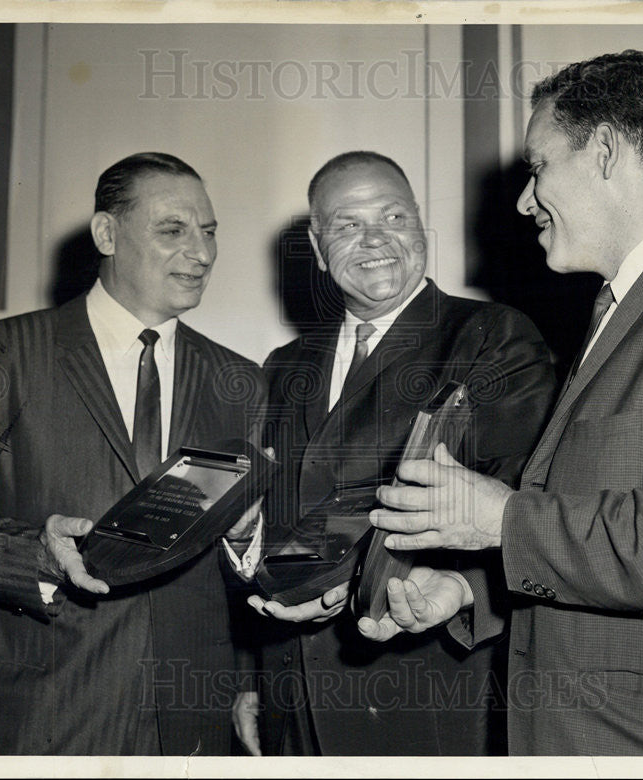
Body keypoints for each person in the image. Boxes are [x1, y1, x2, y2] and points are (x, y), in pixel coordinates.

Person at [363, 51, 643, 756]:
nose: (523, 200)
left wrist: (500, 518)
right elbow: (602, 537)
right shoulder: (628, 306)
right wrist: (468, 591)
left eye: (538, 166)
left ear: (604, 150)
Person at [0, 152, 266, 755]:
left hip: (191, 721)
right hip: (39, 713)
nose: (201, 253)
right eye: (174, 230)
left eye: (209, 232)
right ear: (107, 233)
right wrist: (34, 556)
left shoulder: (241, 380)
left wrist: (247, 544)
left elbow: (246, 581)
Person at [235, 151, 556, 756]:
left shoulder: (491, 336)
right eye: (348, 224)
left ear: (418, 223)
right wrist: (252, 679)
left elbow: (526, 508)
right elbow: (262, 528)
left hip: (424, 683)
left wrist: (461, 588)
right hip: (292, 695)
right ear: (317, 242)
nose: (374, 241)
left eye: (393, 217)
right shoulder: (283, 368)